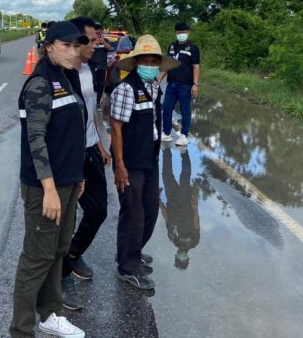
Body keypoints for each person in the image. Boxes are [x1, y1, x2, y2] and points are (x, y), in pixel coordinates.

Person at [10, 21, 89, 338]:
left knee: (58, 250)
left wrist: (78, 175)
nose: (75, 51)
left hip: (68, 182)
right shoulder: (40, 83)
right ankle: (21, 329)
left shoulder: (66, 77)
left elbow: (71, 133)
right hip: (46, 187)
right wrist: (49, 190)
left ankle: (50, 314)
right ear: (50, 46)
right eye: (68, 45)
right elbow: (36, 140)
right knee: (36, 257)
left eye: (77, 46)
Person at [110, 35, 179, 290]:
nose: (149, 64)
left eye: (154, 60)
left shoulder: (153, 88)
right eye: (145, 60)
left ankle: (132, 251)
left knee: (150, 211)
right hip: (130, 161)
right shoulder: (126, 90)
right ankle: (127, 267)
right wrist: (120, 165)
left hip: (149, 157)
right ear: (136, 62)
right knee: (133, 215)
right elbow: (116, 128)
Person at [59, 17, 112, 311]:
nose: (97, 45)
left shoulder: (90, 70)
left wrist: (101, 145)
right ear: (76, 42)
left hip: (91, 148)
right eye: (92, 40)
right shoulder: (61, 76)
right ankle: (62, 276)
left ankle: (73, 255)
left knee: (98, 211)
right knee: (65, 220)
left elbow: (91, 111)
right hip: (69, 156)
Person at [160, 21, 201, 146]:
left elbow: (196, 67)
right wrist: (158, 80)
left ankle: (184, 135)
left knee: (185, 110)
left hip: (185, 85)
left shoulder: (193, 48)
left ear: (188, 33)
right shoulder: (172, 46)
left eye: (183, 32)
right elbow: (167, 65)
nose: (181, 34)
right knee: (166, 108)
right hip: (171, 84)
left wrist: (195, 84)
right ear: (175, 33)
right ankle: (166, 133)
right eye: (179, 32)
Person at [159, 146, 200, 270]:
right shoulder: (193, 242)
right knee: (185, 176)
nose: (181, 257)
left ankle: (166, 151)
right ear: (187, 258)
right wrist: (194, 208)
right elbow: (196, 225)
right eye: (183, 260)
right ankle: (184, 152)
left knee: (166, 175)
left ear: (175, 256)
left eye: (178, 259)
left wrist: (159, 202)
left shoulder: (173, 239)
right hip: (185, 203)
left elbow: (167, 219)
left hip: (172, 200)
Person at [89, 22, 112, 108]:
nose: (98, 34)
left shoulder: (105, 40)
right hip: (91, 65)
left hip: (102, 66)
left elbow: (109, 48)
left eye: (99, 33)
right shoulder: (91, 41)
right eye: (96, 33)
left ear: (101, 31)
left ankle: (98, 102)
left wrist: (103, 42)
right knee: (91, 83)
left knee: (101, 85)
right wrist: (94, 42)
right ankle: (90, 100)